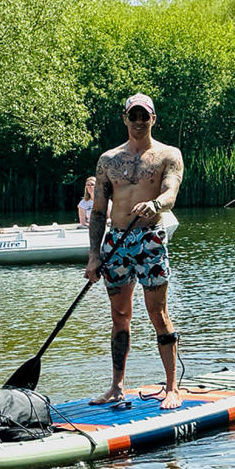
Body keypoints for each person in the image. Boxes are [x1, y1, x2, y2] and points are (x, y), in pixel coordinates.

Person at [84, 93, 185, 409]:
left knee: (158, 313)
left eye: (145, 116)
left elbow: (170, 192)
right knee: (119, 317)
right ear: (125, 119)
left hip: (150, 240)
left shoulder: (168, 155)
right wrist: (94, 255)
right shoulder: (108, 160)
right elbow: (98, 211)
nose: (139, 121)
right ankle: (116, 387)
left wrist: (154, 204)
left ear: (153, 119)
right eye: (134, 116)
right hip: (116, 242)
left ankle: (172, 388)